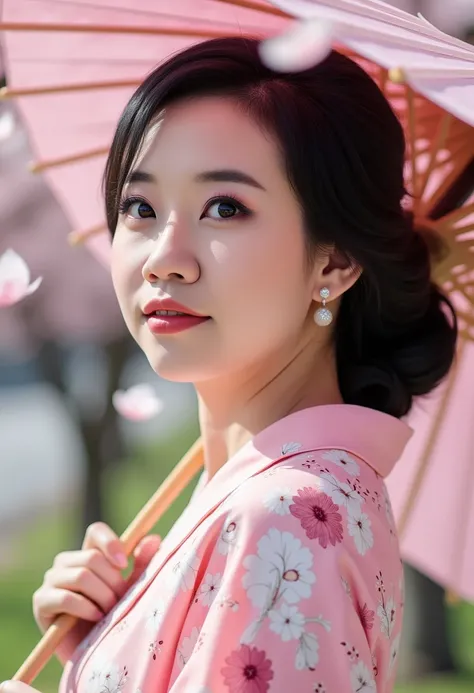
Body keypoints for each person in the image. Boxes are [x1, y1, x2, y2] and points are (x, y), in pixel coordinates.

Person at [2, 36, 457, 693]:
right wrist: (105, 644)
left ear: (334, 262)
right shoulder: (272, 495)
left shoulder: (283, 512)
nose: (165, 255)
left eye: (225, 208)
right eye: (141, 207)